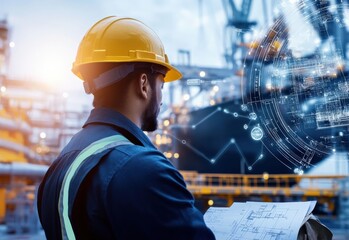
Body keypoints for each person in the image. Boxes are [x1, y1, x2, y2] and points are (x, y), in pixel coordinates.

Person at [37, 16, 216, 240]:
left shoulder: (60, 165)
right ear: (143, 84)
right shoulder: (145, 170)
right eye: (161, 84)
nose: (161, 99)